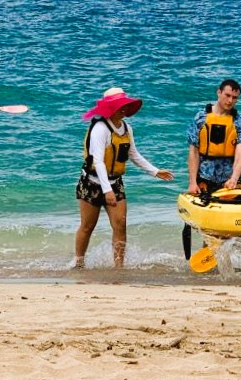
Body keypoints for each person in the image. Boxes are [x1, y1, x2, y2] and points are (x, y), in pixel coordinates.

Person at [74, 88, 173, 268]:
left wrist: (155, 171)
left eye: (125, 106)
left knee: (120, 224)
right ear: (109, 108)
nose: (123, 109)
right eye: (119, 106)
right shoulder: (100, 129)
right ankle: (79, 262)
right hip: (91, 183)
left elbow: (134, 154)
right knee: (87, 226)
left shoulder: (127, 129)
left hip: (115, 182)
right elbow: (98, 162)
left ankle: (119, 266)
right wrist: (107, 191)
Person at [184, 79, 241, 258]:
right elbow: (193, 153)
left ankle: (233, 261)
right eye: (228, 95)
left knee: (231, 227)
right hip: (205, 177)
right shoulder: (200, 118)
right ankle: (209, 260)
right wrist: (192, 182)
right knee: (210, 228)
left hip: (229, 179)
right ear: (219, 92)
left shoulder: (240, 122)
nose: (230, 101)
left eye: (235, 98)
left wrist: (234, 179)